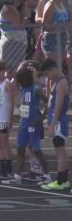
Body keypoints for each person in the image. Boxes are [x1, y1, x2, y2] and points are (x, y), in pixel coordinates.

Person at [1, 67, 50, 185]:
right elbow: (13, 81)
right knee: (20, 148)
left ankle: (47, 176)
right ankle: (18, 176)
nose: (19, 82)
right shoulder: (22, 87)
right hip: (24, 122)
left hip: (33, 122)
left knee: (36, 149)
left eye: (20, 80)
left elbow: (49, 101)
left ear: (26, 79)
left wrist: (42, 117)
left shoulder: (36, 90)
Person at [40, 59, 70, 191]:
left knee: (60, 151)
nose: (48, 77)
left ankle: (61, 181)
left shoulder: (61, 83)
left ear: (53, 70)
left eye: (47, 74)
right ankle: (63, 180)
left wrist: (52, 124)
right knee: (59, 150)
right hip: (56, 119)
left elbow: (58, 106)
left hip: (58, 121)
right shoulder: (56, 81)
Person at [41, 0, 70, 75]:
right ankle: (51, 89)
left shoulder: (61, 3)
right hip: (51, 39)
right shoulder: (50, 5)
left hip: (61, 37)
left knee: (61, 67)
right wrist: (58, 27)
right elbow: (44, 26)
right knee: (53, 70)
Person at [0, 1, 28, 77]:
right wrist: (24, 14)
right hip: (11, 44)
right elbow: (20, 27)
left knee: (16, 69)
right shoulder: (9, 9)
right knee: (12, 71)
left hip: (15, 43)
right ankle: (10, 87)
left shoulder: (13, 9)